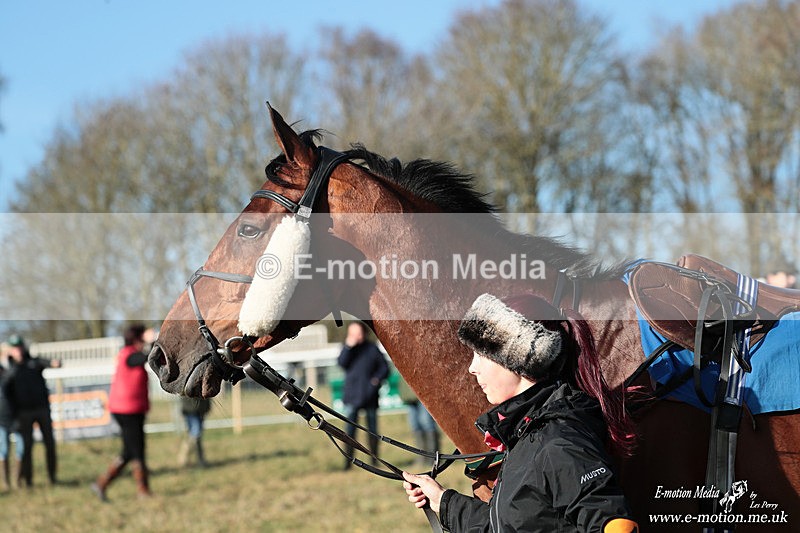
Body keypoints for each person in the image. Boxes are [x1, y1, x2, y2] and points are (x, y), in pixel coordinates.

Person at [403, 293, 640, 532]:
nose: (472, 368)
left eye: (482, 355)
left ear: (519, 359)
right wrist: (443, 501)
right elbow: (510, 524)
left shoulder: (559, 442)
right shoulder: (526, 437)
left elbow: (616, 525)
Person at [91, 325, 152, 501]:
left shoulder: (129, 353)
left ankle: (102, 483)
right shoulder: (129, 354)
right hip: (128, 410)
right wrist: (152, 342)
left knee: (129, 451)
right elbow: (145, 357)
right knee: (136, 450)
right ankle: (142, 491)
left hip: (131, 409)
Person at [3, 334, 60, 487]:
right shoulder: (10, 369)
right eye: (15, 348)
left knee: (49, 443)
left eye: (20, 347)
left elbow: (50, 363)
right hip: (23, 413)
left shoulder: (34, 362)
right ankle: (28, 480)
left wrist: (55, 363)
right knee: (27, 447)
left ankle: (52, 477)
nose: (18, 351)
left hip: (42, 409)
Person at [337, 321, 389, 469]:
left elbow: (384, 368)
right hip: (353, 397)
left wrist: (376, 380)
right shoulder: (348, 349)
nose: (356, 336)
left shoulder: (372, 349)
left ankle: (374, 461)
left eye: (358, 333)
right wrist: (348, 347)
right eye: (352, 333)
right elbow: (341, 363)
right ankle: (348, 463)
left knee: (372, 431)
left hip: (370, 397)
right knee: (349, 432)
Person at [397, 375, 440, 469]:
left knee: (426, 423)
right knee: (415, 426)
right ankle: (422, 457)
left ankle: (433, 457)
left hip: (423, 392)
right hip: (409, 396)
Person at [0, 344, 24, 491]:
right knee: (3, 450)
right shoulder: (5, 372)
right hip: (1, 418)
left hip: (16, 416)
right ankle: (6, 482)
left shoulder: (17, 369)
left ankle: (18, 481)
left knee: (20, 449)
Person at [177, 397, 212, 468]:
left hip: (201, 408)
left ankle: (198, 459)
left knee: (196, 434)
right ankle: (184, 458)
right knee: (196, 433)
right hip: (190, 408)